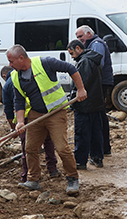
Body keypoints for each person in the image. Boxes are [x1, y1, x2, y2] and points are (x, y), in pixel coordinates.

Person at [7, 44, 87, 196]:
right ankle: (33, 179)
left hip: (56, 113)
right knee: (30, 148)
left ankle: (72, 178)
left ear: (21, 58)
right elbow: (18, 100)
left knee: (62, 147)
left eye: (11, 61)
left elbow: (71, 69)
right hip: (36, 114)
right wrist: (20, 121)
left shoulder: (45, 63)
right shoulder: (15, 76)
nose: (10, 65)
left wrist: (81, 89)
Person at [1, 66, 60, 181]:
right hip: (41, 113)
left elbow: (8, 110)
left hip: (25, 118)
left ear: (4, 76)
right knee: (48, 140)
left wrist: (14, 129)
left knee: (27, 147)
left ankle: (26, 174)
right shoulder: (27, 75)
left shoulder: (7, 85)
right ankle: (52, 169)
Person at [75, 25, 113, 157]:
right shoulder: (93, 44)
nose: (80, 39)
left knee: (98, 117)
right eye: (77, 37)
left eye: (81, 36)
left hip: (99, 85)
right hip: (99, 84)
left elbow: (97, 66)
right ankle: (102, 149)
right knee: (99, 116)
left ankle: (102, 148)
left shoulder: (96, 44)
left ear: (89, 34)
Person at [67, 40, 105, 169]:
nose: (72, 56)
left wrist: (72, 100)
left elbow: (81, 84)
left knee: (82, 134)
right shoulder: (93, 59)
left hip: (84, 105)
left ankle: (80, 162)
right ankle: (97, 158)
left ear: (78, 48)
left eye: (72, 53)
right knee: (96, 132)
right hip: (95, 103)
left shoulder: (84, 62)